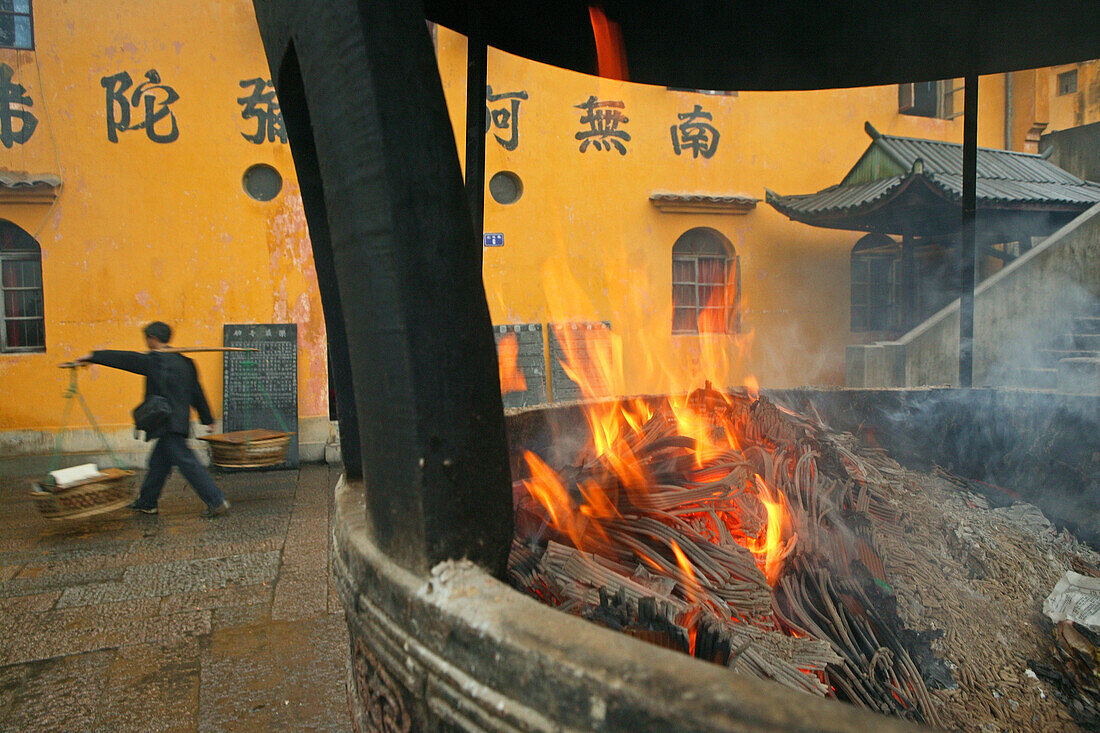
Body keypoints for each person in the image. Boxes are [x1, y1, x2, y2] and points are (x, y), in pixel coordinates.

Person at [76, 321, 230, 518]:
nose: (146, 342)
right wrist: (207, 418)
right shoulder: (185, 362)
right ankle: (147, 502)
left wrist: (94, 356)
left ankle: (216, 500)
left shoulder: (155, 361)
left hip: (165, 422)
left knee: (187, 462)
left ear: (154, 339)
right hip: (179, 423)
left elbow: (126, 359)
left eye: (147, 338)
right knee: (159, 462)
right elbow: (196, 392)